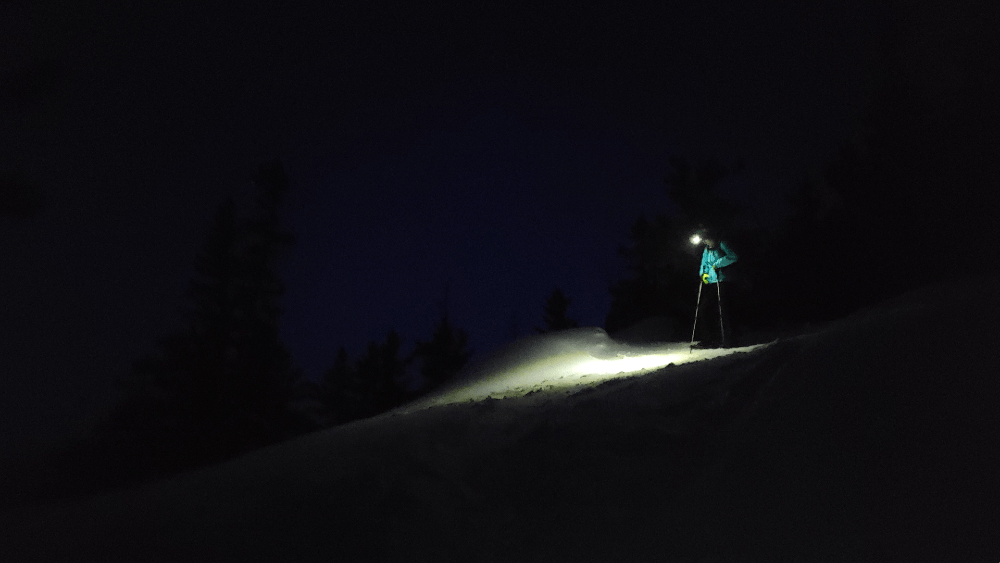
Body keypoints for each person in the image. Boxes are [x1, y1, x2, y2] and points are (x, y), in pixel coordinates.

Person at [692, 232, 738, 347]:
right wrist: (703, 274)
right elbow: (704, 263)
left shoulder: (721, 244)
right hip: (712, 282)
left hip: (724, 281)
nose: (705, 242)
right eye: (704, 241)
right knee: (704, 309)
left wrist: (717, 264)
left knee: (723, 311)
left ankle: (728, 339)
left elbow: (733, 256)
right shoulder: (707, 249)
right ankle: (708, 339)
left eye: (707, 240)